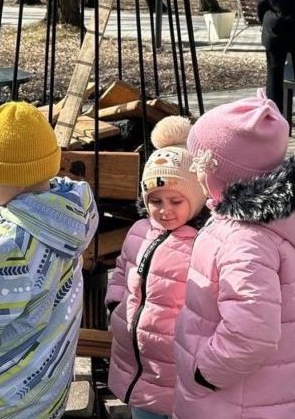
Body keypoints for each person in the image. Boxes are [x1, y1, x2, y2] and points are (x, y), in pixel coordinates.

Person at [172, 91, 295, 419]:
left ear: (218, 173)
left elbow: (251, 331)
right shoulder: (251, 224)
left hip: (236, 401)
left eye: (198, 164)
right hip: (257, 396)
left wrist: (207, 371)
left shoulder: (244, 241)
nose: (194, 172)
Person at [0, 102, 98, 418]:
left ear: (15, 177)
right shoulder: (71, 219)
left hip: (0, 400)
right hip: (48, 389)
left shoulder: (10, 247)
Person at [104, 117, 207, 419]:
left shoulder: (203, 243)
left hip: (176, 363)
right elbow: (122, 268)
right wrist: (115, 303)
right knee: (143, 410)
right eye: (155, 200)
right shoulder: (139, 230)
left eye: (176, 200)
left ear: (196, 197)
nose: (164, 210)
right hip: (137, 359)